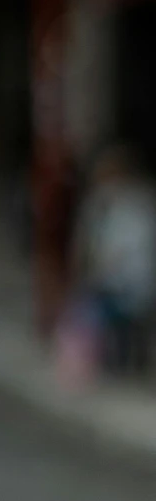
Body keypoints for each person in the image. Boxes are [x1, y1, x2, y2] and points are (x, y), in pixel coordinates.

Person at [75, 143, 156, 375]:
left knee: (129, 323)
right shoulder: (102, 203)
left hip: (130, 279)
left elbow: (134, 244)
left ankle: (129, 364)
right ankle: (118, 363)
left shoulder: (136, 203)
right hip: (114, 279)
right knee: (116, 325)